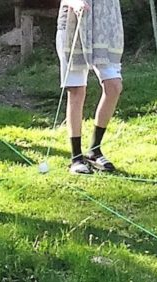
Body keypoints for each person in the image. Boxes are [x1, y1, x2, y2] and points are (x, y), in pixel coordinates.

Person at [58, 0, 125, 175]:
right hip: (73, 27)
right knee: (77, 91)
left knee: (114, 87)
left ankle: (94, 151)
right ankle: (76, 158)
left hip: (103, 30)